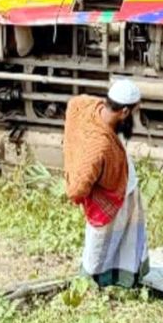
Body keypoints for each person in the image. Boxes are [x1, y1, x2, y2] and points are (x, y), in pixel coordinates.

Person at [63, 79, 149, 288]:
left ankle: (122, 277)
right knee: (101, 243)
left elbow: (73, 104)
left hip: (120, 185)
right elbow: (77, 189)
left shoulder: (89, 106)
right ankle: (91, 282)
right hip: (108, 196)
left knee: (127, 235)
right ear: (125, 112)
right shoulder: (99, 147)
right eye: (134, 113)